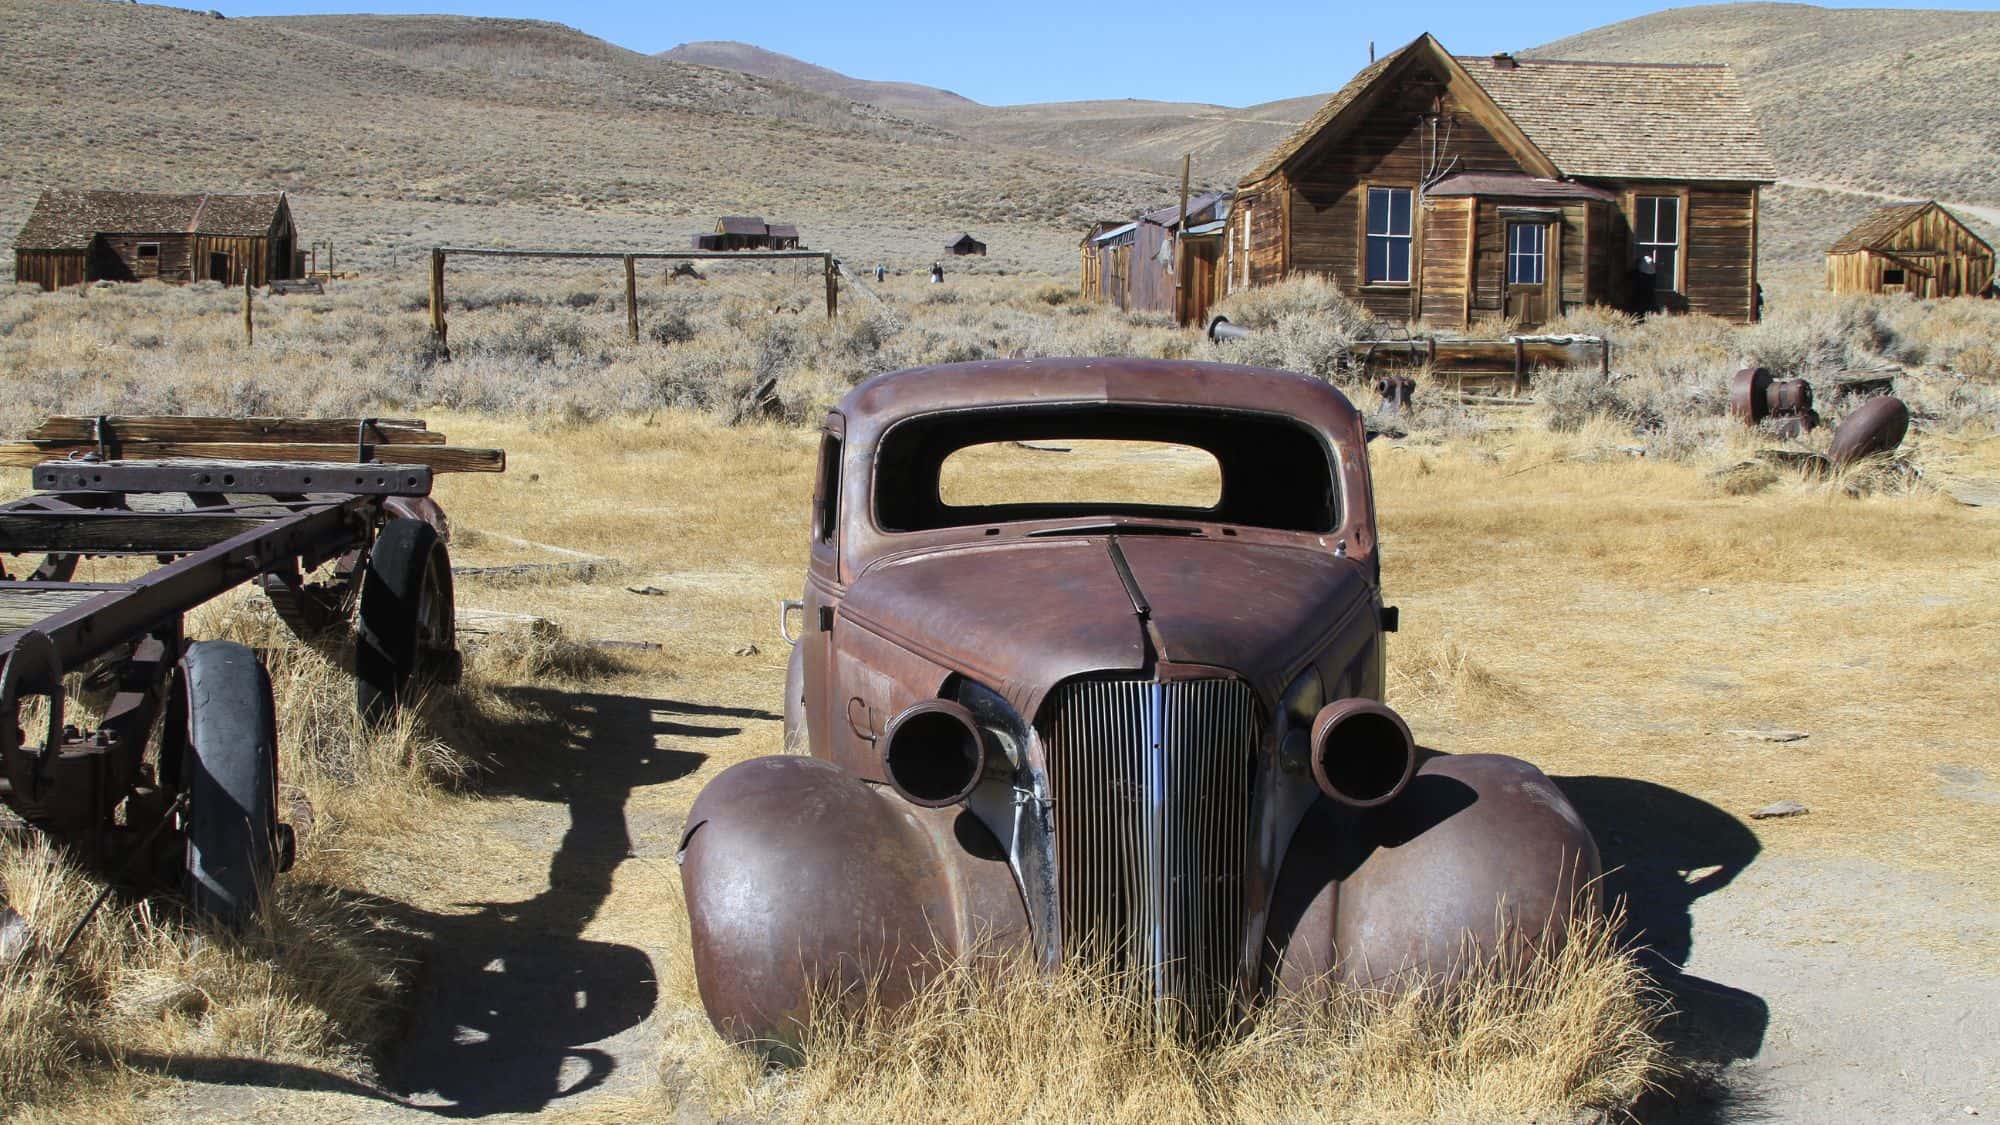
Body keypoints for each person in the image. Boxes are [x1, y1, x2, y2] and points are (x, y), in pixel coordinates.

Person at [1633, 251, 1658, 316]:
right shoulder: (1652, 275)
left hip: (1642, 291)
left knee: (1643, 302)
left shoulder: (1640, 274)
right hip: (1648, 291)